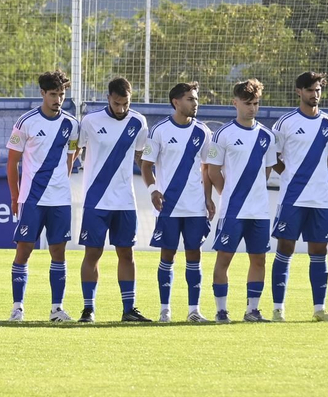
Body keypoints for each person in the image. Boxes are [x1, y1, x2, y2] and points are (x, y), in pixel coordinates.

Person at [6, 70, 80, 322]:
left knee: (58, 251)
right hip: (32, 198)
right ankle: (17, 308)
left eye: (61, 94)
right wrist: (15, 196)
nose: (58, 99)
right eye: (53, 94)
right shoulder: (25, 122)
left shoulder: (71, 124)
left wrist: (61, 182)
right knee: (24, 250)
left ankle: (57, 309)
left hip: (60, 200)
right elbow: (12, 162)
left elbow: (71, 157)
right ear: (42, 93)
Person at [270, 71, 328, 322]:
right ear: (299, 91)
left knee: (319, 250)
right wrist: (290, 175)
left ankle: (319, 309)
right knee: (285, 248)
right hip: (292, 198)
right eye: (310, 90)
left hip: (320, 199)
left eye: (318, 90)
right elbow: (273, 158)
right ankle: (278, 309)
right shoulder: (285, 123)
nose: (315, 94)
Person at [141, 81, 215, 323]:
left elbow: (207, 168)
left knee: (195, 254)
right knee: (168, 255)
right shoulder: (159, 130)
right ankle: (165, 310)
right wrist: (153, 190)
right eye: (190, 99)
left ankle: (194, 310)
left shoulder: (203, 132)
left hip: (195, 206)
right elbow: (146, 165)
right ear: (176, 102)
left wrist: (208, 198)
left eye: (196, 99)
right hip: (168, 206)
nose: (195, 103)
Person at [77, 77, 149, 322]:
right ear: (108, 98)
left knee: (126, 254)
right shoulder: (90, 121)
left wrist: (154, 186)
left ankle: (129, 309)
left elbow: (140, 157)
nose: (121, 108)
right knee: (92, 253)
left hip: (125, 201)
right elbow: (75, 150)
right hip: (96, 200)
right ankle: (88, 309)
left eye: (125, 103)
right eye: (117, 103)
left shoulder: (139, 122)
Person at [206, 78, 276, 324]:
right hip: (233, 210)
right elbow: (213, 171)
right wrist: (228, 194)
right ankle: (221, 311)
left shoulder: (267, 136)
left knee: (259, 259)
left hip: (259, 211)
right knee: (224, 259)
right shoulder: (223, 134)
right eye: (247, 103)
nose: (252, 108)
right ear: (235, 103)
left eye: (256, 103)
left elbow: (266, 171)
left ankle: (252, 310)